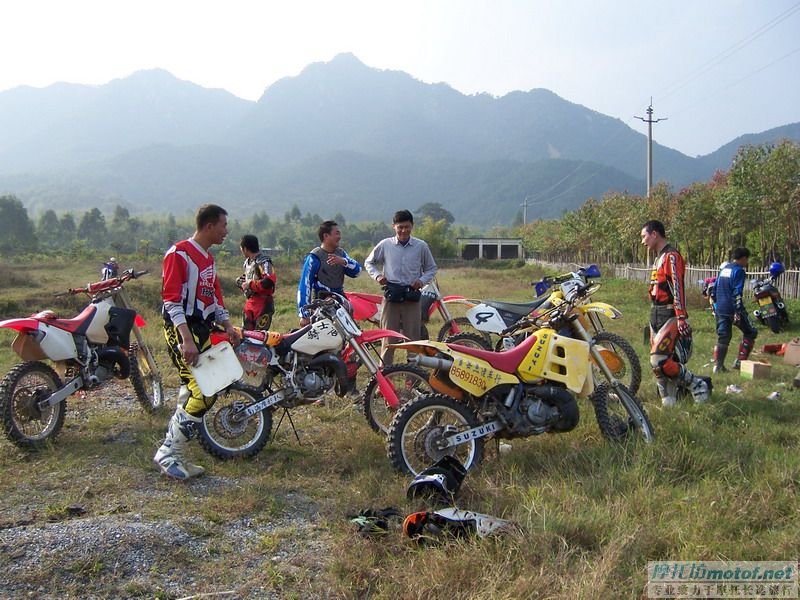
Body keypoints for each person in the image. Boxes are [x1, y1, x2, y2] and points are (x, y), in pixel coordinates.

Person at [154, 204, 240, 480]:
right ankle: (168, 453)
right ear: (209, 226)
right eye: (224, 226)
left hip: (202, 329)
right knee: (203, 391)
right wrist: (186, 339)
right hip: (182, 330)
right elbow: (171, 299)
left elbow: (213, 298)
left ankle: (176, 453)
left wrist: (228, 325)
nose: (227, 231)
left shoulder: (208, 260)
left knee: (193, 390)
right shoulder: (179, 254)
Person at [640, 219, 709, 406]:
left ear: (654, 234)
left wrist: (681, 317)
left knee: (659, 361)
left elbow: (677, 288)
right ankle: (668, 403)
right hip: (655, 313)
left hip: (669, 314)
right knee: (657, 367)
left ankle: (696, 384)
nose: (642, 241)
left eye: (644, 236)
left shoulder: (672, 256)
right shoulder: (658, 257)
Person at [364, 210, 438, 363]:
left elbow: (431, 268)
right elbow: (368, 262)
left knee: (413, 341)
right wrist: (378, 276)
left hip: (412, 297)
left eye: (407, 227)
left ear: (412, 226)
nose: (404, 230)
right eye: (400, 227)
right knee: (388, 340)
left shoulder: (421, 246)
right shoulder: (385, 245)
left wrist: (421, 281)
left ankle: (413, 380)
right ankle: (383, 383)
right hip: (391, 298)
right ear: (394, 227)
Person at [297, 220, 362, 326]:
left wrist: (343, 262)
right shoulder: (314, 257)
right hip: (321, 306)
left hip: (341, 303)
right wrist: (305, 315)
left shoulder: (341, 254)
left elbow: (357, 272)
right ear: (326, 236)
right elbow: (305, 286)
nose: (339, 237)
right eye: (337, 233)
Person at [711, 247, 757, 373]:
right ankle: (740, 362)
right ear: (743, 258)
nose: (746, 263)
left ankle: (718, 366)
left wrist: (716, 305)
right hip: (733, 308)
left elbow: (714, 289)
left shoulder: (724, 269)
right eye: (747, 260)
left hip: (720, 307)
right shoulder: (739, 271)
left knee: (723, 337)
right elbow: (737, 292)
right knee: (751, 332)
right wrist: (737, 311)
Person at [237, 234, 276, 330]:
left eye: (241, 248)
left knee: (259, 337)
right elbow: (249, 277)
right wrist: (240, 281)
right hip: (250, 302)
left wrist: (249, 284)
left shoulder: (264, 262)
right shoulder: (247, 263)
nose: (241, 251)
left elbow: (269, 281)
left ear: (245, 249)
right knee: (245, 335)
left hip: (263, 303)